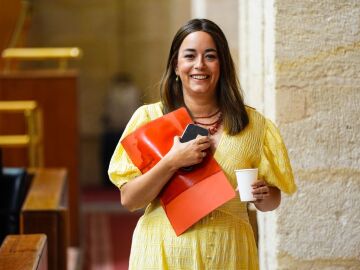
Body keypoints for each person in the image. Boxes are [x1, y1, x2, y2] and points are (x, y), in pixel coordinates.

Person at [108, 18, 296, 269]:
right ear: (176, 65)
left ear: (223, 65)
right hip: (163, 252)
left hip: (229, 253)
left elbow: (272, 201)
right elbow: (130, 200)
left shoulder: (254, 126)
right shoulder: (149, 119)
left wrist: (263, 196)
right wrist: (172, 161)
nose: (199, 65)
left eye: (210, 56)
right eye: (190, 56)